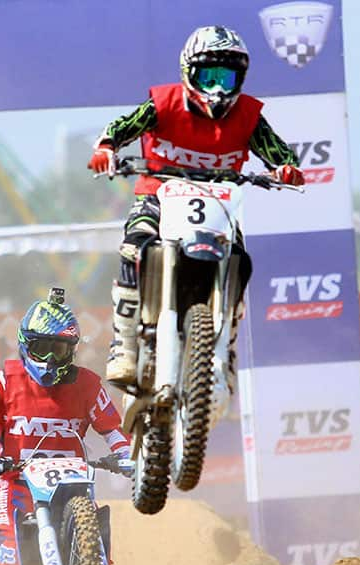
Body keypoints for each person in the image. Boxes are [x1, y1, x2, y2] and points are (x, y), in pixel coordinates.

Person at [86, 25, 304, 384]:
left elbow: (277, 151)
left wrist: (286, 168)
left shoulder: (248, 116)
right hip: (158, 193)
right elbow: (122, 127)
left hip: (217, 204)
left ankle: (226, 348)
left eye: (227, 77)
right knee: (132, 246)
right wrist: (107, 147)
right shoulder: (163, 104)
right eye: (208, 76)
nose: (218, 88)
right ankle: (123, 345)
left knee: (239, 259)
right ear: (188, 72)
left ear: (241, 80)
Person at [0, 289, 132, 565]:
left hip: (75, 489)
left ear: (71, 351)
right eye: (40, 349)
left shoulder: (88, 384)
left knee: (98, 563)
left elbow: (113, 429)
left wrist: (125, 454)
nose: (48, 359)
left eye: (57, 350)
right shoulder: (3, 382)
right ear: (25, 345)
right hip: (18, 485)